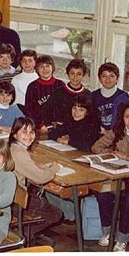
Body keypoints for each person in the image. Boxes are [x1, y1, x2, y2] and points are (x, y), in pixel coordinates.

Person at [92, 101, 129, 252]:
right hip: (119, 174)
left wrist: (127, 157)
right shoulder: (117, 130)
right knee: (103, 194)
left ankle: (123, 237)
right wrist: (110, 155)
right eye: (127, 116)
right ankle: (108, 232)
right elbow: (96, 147)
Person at [46, 94, 100, 223]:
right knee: (49, 186)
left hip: (84, 165)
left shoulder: (92, 124)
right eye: (74, 108)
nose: (76, 112)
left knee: (56, 185)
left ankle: (74, 214)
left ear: (87, 112)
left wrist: (69, 140)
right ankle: (70, 214)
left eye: (81, 109)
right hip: (70, 158)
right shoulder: (70, 120)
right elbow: (52, 133)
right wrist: (60, 138)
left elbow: (87, 144)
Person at [8, 117, 62, 244]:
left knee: (41, 203)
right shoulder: (19, 152)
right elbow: (41, 178)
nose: (29, 136)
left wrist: (40, 167)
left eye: (31, 132)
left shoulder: (14, 147)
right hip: (14, 200)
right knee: (56, 213)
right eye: (24, 132)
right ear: (15, 134)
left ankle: (23, 232)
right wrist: (55, 168)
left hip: (13, 195)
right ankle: (25, 234)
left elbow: (25, 167)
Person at [41, 58, 91, 127]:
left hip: (81, 131)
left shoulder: (88, 94)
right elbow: (46, 111)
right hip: (61, 130)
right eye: (72, 73)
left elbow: (91, 116)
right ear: (67, 74)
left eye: (79, 74)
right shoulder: (59, 92)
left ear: (83, 75)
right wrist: (50, 127)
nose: (75, 77)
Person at [24, 55, 64, 131]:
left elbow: (65, 108)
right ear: (37, 69)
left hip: (59, 126)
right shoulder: (32, 87)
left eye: (48, 66)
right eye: (41, 66)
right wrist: (40, 125)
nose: (45, 69)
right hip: (40, 127)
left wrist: (60, 123)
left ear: (53, 67)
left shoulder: (60, 85)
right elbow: (29, 110)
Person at [91, 62, 124, 132]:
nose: (108, 79)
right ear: (99, 79)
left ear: (117, 78)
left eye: (112, 76)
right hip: (98, 134)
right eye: (104, 76)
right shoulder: (93, 96)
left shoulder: (124, 97)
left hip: (118, 135)